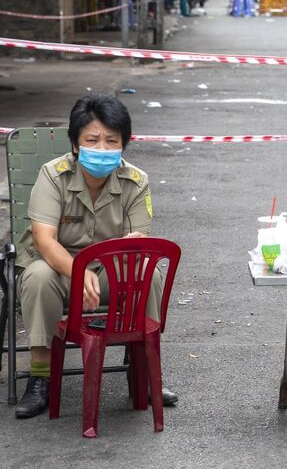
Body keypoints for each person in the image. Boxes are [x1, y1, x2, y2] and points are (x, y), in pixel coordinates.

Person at [13, 95, 177, 418]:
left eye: (111, 141)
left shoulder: (136, 182)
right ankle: (40, 377)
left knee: (150, 271)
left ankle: (144, 372)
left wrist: (132, 250)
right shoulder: (52, 176)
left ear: (123, 145)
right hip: (58, 265)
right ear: (75, 144)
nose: (101, 148)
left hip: (111, 267)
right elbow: (44, 241)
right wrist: (77, 270)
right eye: (92, 140)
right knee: (37, 277)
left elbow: (138, 240)